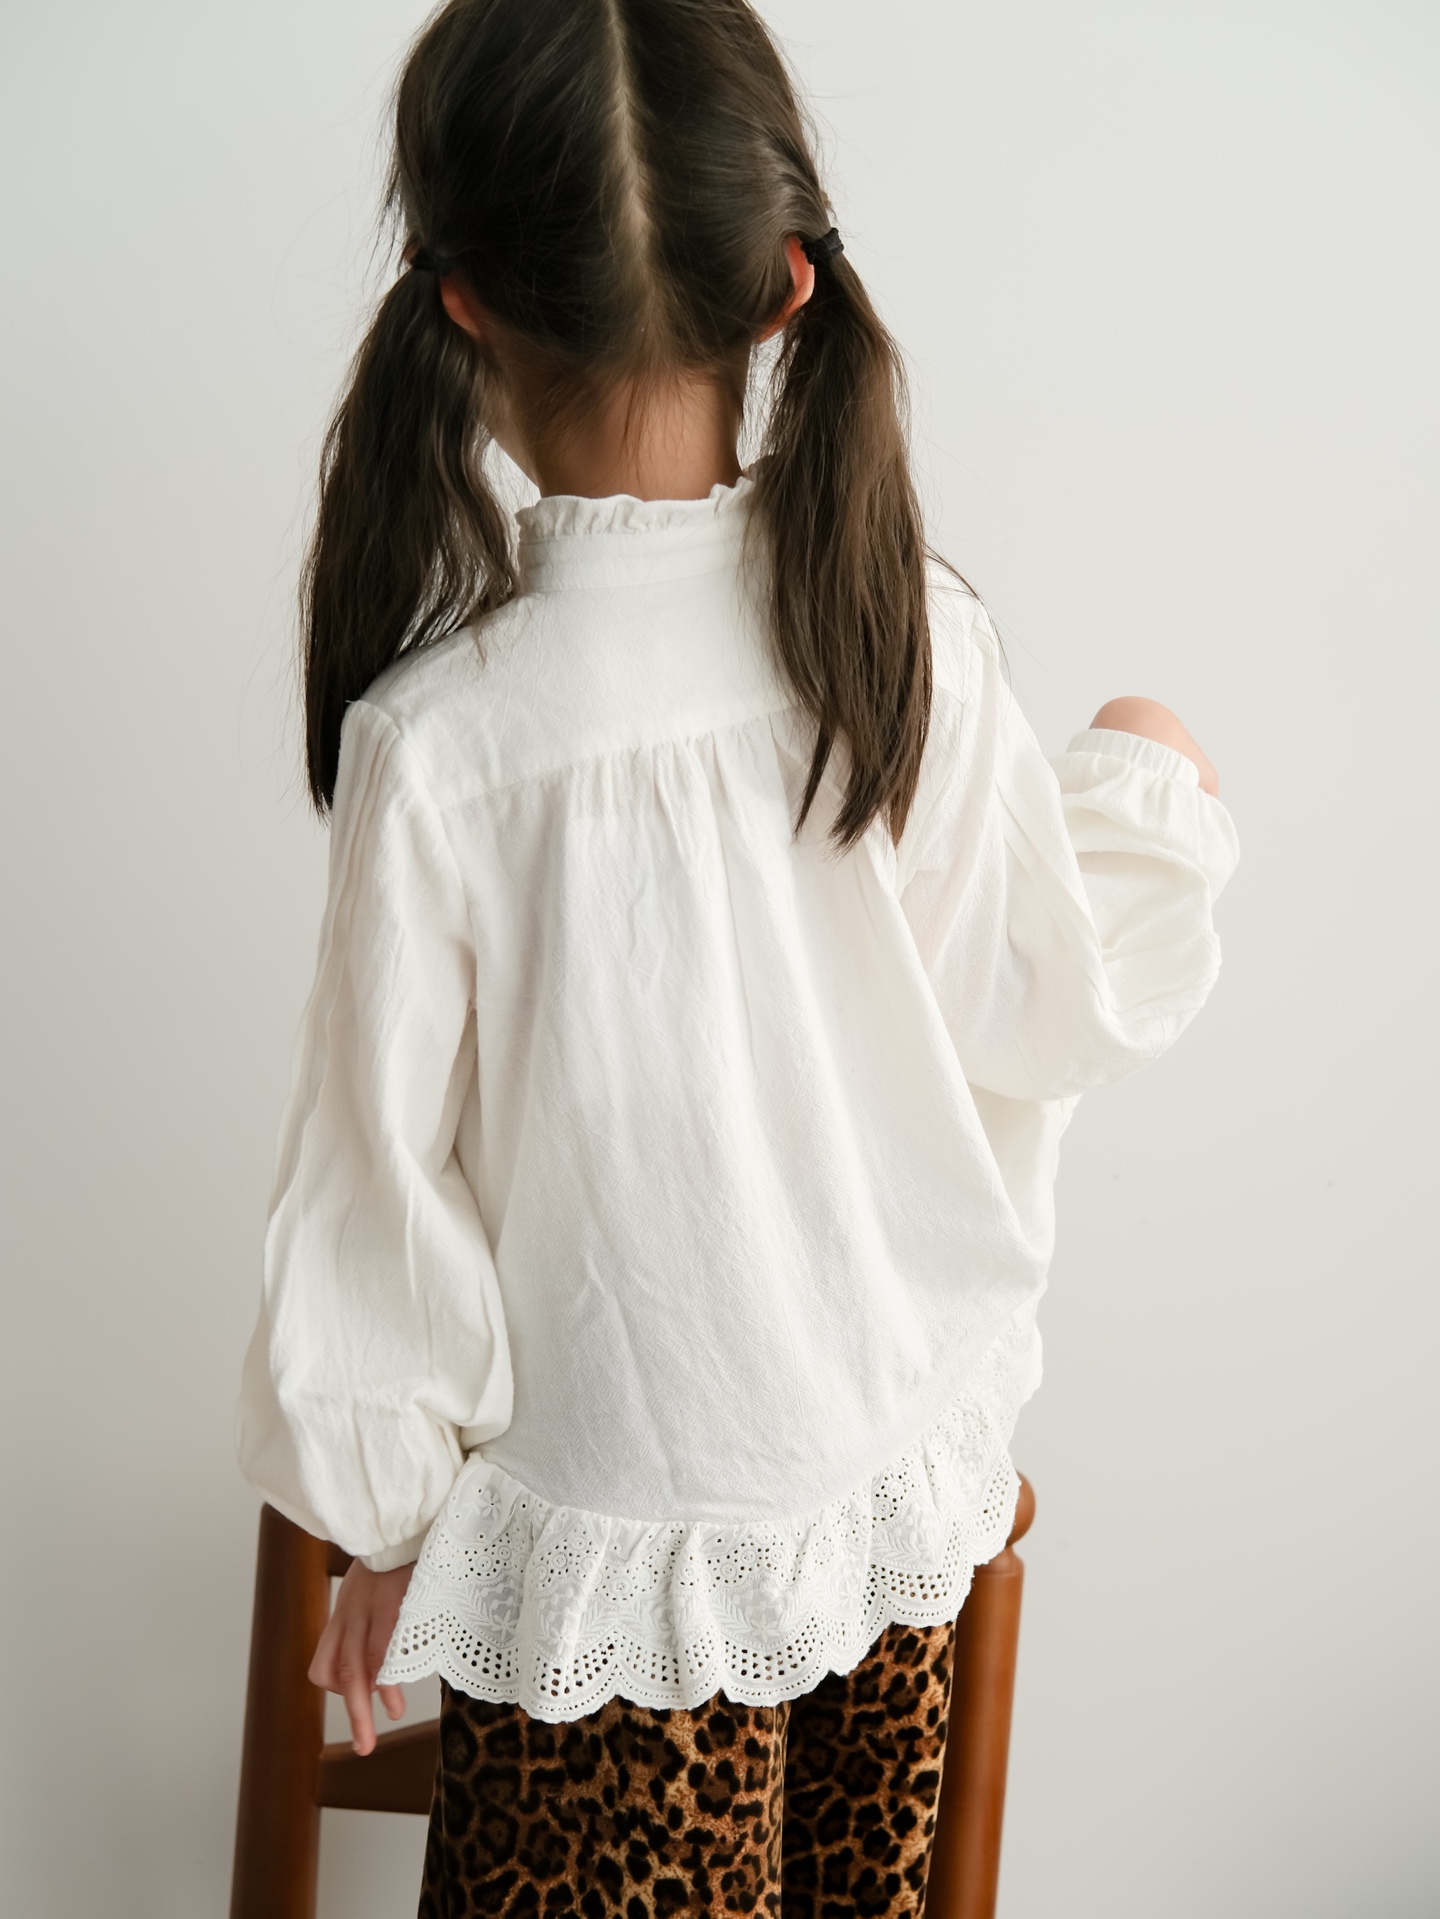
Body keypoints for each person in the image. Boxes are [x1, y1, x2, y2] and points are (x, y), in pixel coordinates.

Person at [238, 0, 1238, 1911]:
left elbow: (377, 1199)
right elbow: (1032, 1009)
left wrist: (382, 1513)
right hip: (888, 1546)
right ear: (785, 286)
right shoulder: (902, 625)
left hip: (623, 1601)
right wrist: (1149, 784)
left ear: (461, 305)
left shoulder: (444, 750)